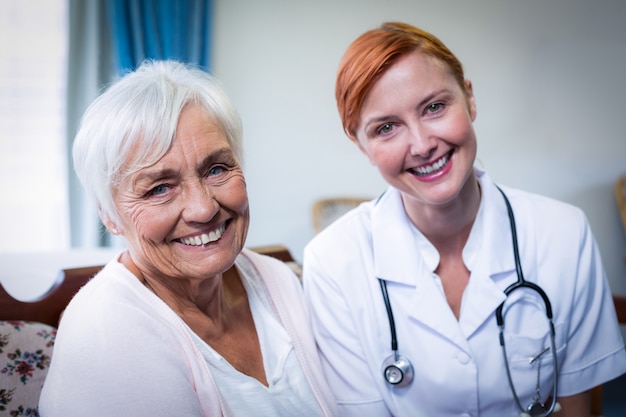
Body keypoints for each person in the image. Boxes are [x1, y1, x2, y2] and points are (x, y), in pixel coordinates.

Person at [302, 21, 626, 417]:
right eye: (386, 128)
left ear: (469, 99)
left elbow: (576, 406)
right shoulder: (332, 263)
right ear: (361, 145)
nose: (422, 145)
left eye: (434, 107)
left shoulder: (563, 233)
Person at [39, 60, 337, 417]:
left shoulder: (278, 279)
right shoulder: (104, 333)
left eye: (216, 169)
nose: (203, 209)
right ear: (110, 215)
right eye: (159, 188)